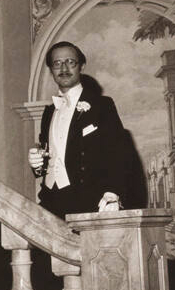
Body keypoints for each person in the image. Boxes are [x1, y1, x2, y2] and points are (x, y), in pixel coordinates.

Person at [28, 41, 128, 218]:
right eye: (57, 63)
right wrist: (37, 164)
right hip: (50, 200)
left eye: (70, 62)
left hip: (88, 201)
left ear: (81, 66)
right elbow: (49, 160)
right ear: (51, 70)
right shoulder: (49, 112)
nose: (64, 68)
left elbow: (118, 152)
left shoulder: (102, 106)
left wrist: (112, 193)